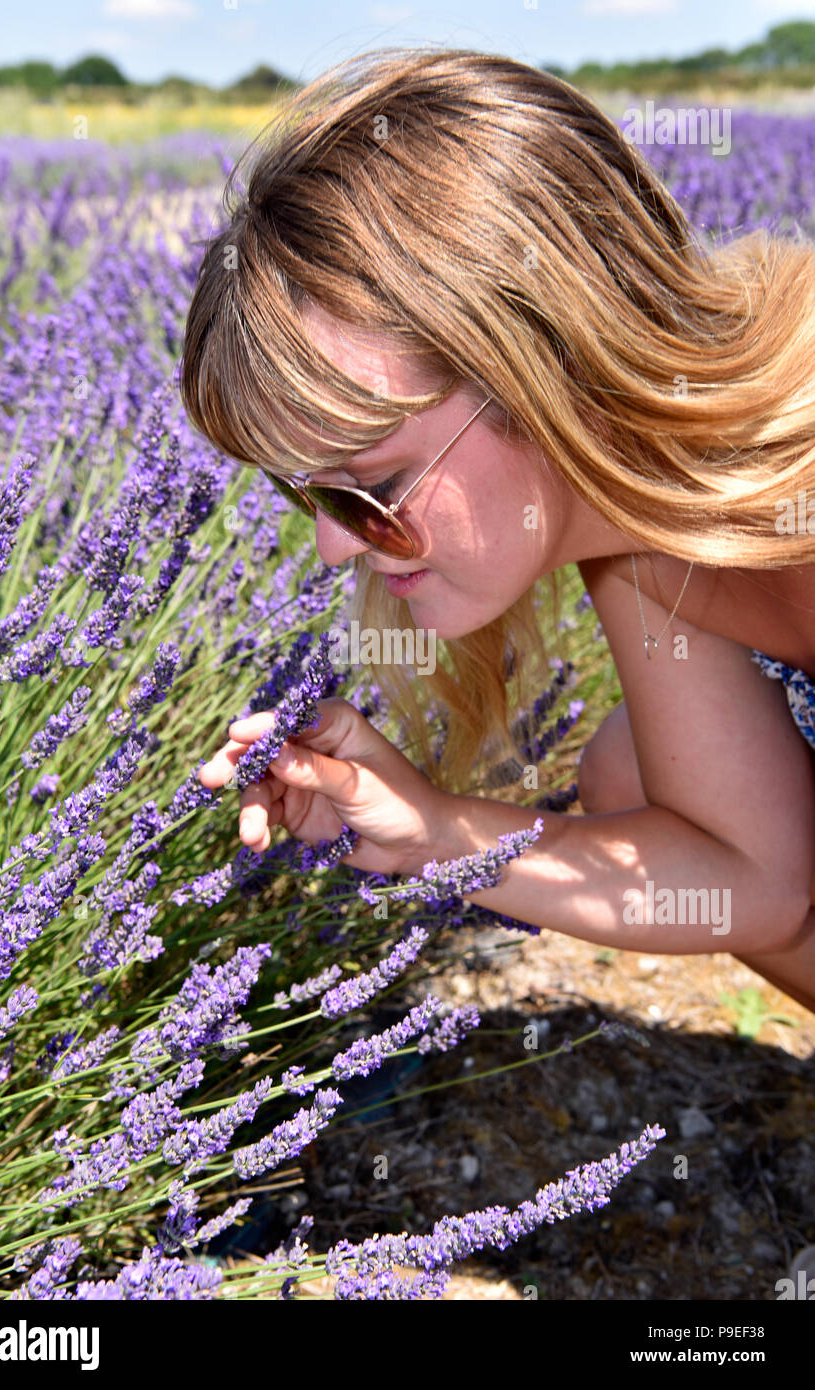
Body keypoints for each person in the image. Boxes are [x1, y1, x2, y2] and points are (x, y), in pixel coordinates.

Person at [181, 47, 815, 1015]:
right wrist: (430, 831)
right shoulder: (635, 537)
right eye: (308, 495)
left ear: (543, 363)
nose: (337, 546)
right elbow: (756, 878)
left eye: (372, 485)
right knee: (629, 765)